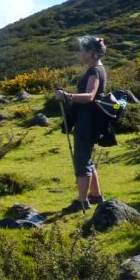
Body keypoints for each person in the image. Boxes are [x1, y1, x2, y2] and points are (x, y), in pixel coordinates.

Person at [55, 35, 108, 211]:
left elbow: (89, 96)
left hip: (88, 120)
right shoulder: (97, 69)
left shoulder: (94, 71)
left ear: (91, 53)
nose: (79, 54)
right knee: (86, 158)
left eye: (82, 51)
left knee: (81, 160)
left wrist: (67, 96)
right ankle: (96, 196)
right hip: (90, 119)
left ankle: (81, 202)